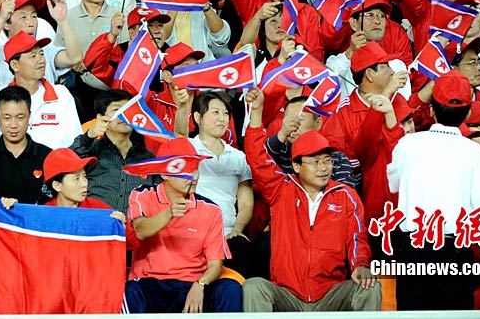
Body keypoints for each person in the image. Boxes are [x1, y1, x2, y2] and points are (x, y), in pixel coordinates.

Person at [244, 89, 381, 311]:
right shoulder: (281, 189)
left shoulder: (346, 195)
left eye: (327, 161)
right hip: (287, 295)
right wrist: (257, 112)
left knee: (369, 286)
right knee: (253, 287)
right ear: (297, 166)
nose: (323, 168)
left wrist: (361, 263)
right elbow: (257, 158)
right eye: (315, 162)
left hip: (331, 294)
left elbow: (357, 237)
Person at [388, 70, 480, 310]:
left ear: (432, 110)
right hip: (455, 250)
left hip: (413, 249)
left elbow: (394, 184)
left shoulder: (407, 144)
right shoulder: (477, 153)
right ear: (467, 113)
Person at [124, 136, 243, 313]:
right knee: (131, 290)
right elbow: (139, 231)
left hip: (193, 286)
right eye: (183, 169)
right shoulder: (143, 195)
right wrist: (169, 213)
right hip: (153, 285)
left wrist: (200, 284)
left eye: (195, 168)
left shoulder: (211, 209)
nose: (193, 176)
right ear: (164, 174)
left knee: (230, 288)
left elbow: (215, 264)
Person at [0, 31, 82, 160]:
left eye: (41, 54)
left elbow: (73, 140)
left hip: (55, 168)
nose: (41, 61)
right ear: (15, 65)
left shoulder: (61, 95)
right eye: (33, 56)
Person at [189, 91, 253, 275]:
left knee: (242, 248)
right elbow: (177, 133)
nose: (222, 119)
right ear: (198, 117)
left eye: (225, 113)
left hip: (228, 232)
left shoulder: (238, 157)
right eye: (215, 112)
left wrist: (237, 229)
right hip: (194, 231)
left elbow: (246, 203)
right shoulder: (188, 149)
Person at [70, 89, 160, 214]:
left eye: (128, 110)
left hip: (136, 225)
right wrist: (89, 135)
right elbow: (67, 162)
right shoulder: (90, 151)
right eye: (117, 110)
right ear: (101, 118)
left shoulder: (148, 159)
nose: (124, 115)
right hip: (95, 223)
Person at [0, 85, 52, 204]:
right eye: (7, 118)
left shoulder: (48, 157)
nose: (13, 125)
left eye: (20, 118)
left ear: (29, 116)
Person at [42, 147, 126, 219]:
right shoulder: (43, 215)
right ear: (57, 186)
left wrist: (122, 228)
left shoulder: (98, 209)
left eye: (84, 176)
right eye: (77, 178)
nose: (84, 184)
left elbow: (130, 233)